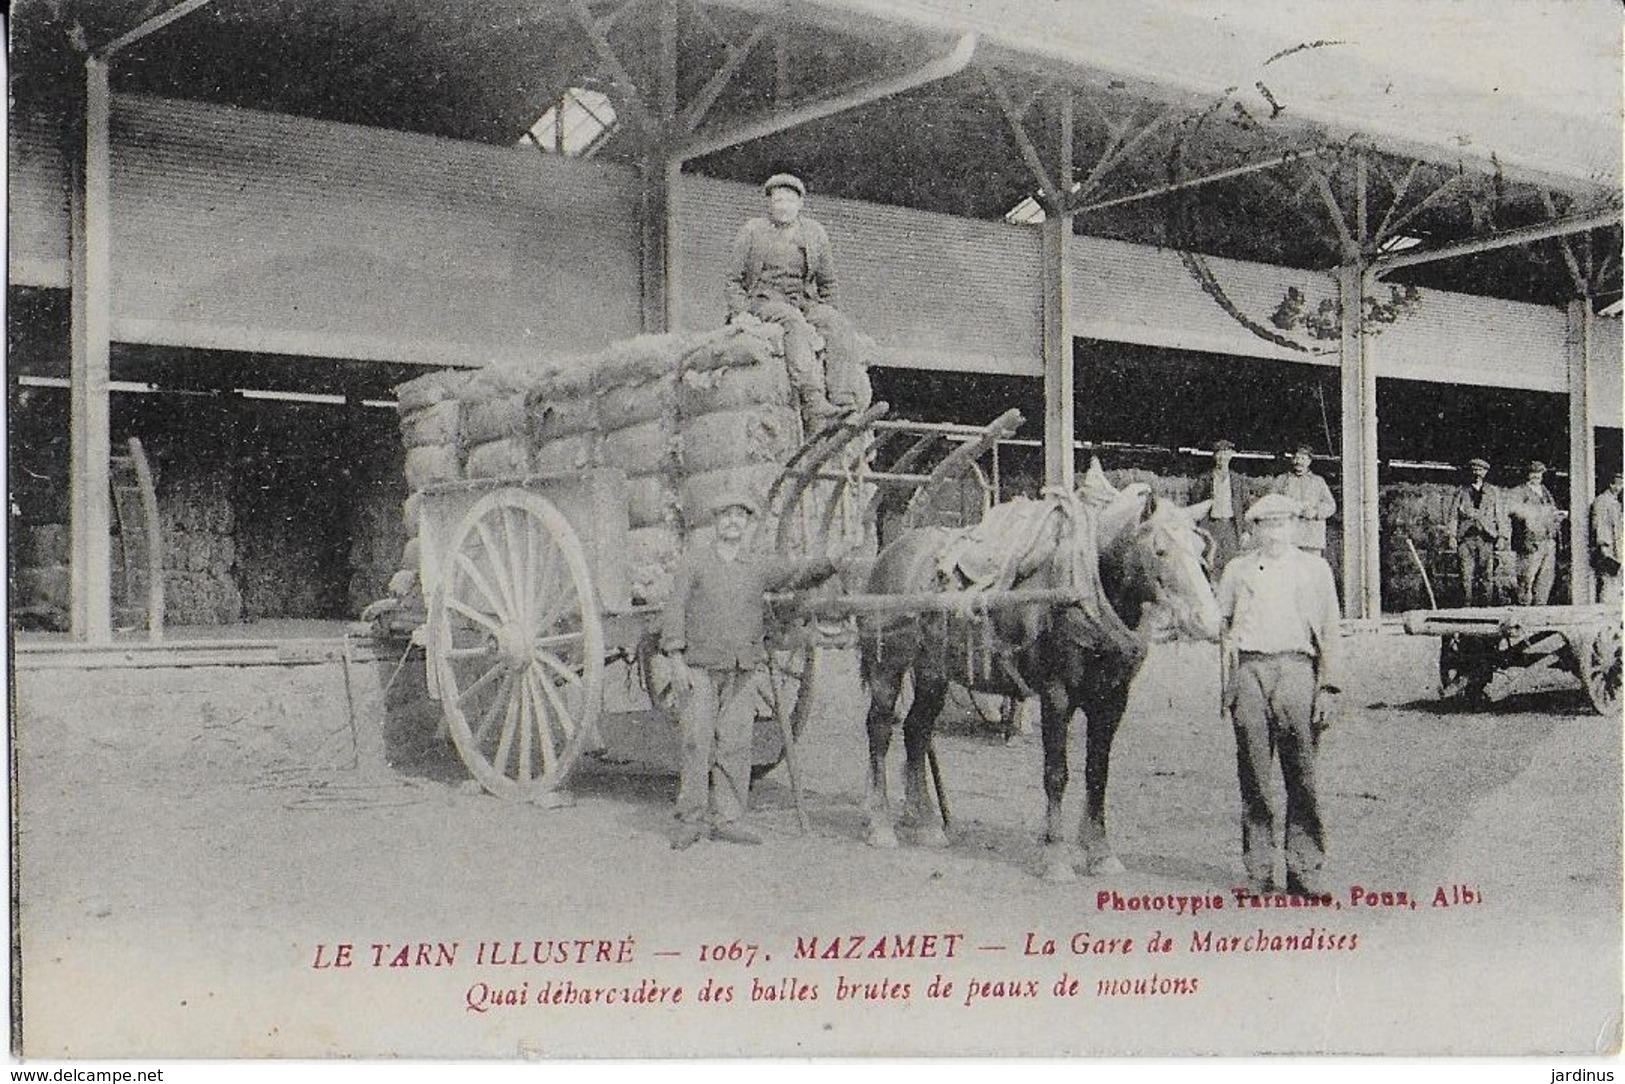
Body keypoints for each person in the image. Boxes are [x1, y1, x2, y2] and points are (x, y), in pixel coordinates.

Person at [658, 489, 840, 849]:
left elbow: (794, 574)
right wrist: (676, 658)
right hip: (701, 668)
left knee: (736, 744)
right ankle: (690, 819)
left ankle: (727, 818)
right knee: (697, 743)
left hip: (742, 669)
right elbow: (675, 609)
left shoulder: (755, 565)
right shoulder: (696, 561)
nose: (732, 522)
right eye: (726, 516)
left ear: (747, 524)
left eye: (739, 517)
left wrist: (833, 560)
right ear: (715, 521)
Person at [1217, 493, 1341, 898]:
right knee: (1254, 776)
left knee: (1301, 774)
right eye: (1266, 524)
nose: (1274, 532)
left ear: (1295, 526)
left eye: (1282, 523)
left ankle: (1304, 869)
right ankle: (1258, 871)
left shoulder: (1315, 570)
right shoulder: (1237, 571)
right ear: (1254, 528)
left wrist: (1328, 686)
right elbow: (1222, 628)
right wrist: (1228, 683)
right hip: (1251, 671)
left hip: (1297, 671)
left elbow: (1330, 632)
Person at [726, 173, 863, 428]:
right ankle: (813, 399)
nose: (783, 206)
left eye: (789, 201)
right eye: (777, 201)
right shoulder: (753, 230)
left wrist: (827, 315)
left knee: (837, 324)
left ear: (800, 204)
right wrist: (740, 313)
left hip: (802, 299)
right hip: (765, 300)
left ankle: (843, 400)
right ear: (769, 204)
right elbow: (733, 280)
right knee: (793, 322)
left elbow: (828, 282)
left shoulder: (814, 233)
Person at [1450, 457, 1507, 607]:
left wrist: (1502, 536)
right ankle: (1466, 606)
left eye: (1480, 470)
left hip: (1486, 538)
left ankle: (1486, 606)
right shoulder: (1461, 492)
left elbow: (1500, 515)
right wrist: (1452, 536)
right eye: (1474, 470)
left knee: (1487, 574)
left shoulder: (1493, 492)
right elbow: (1453, 516)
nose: (1477, 473)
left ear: (1486, 472)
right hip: (1466, 538)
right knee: (1465, 575)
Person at [1508, 461, 1565, 607]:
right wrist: (1542, 513)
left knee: (1545, 580)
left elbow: (1551, 511)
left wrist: (1557, 515)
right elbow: (1516, 512)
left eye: (1539, 473)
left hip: (1548, 541)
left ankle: (1540, 610)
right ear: (1527, 475)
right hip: (1530, 543)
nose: (1536, 476)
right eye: (1533, 473)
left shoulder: (1545, 491)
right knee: (1526, 579)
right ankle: (1524, 611)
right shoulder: (1518, 491)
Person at [1270, 445, 1337, 554]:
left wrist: (1316, 512)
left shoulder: (1318, 482)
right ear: (1292, 460)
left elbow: (1331, 505)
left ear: (1309, 461)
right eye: (1296, 458)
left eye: (1303, 458)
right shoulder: (1282, 480)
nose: (1299, 462)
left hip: (1311, 539)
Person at [1196, 439, 1248, 575]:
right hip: (1210, 526)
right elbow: (1196, 504)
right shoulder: (1204, 479)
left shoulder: (1238, 480)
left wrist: (1245, 531)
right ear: (1214, 456)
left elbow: (1246, 507)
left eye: (1226, 453)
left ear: (1231, 455)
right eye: (1218, 453)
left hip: (1230, 526)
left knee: (1231, 564)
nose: (1222, 457)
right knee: (1210, 562)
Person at [1590, 470, 1623, 607]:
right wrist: (1603, 547)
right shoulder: (1602, 501)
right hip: (1608, 548)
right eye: (1616, 484)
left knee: (1615, 581)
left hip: (1617, 547)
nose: (1619, 488)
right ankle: (1606, 609)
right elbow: (1599, 525)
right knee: (1608, 581)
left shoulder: (1615, 502)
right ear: (1610, 485)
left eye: (1621, 485)